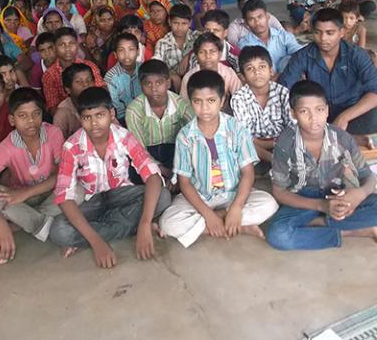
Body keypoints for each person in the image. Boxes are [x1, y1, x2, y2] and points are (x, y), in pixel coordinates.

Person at [49, 87, 171, 268]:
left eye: (100, 115)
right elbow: (64, 197)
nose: (94, 123)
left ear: (111, 113)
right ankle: (127, 226)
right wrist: (97, 243)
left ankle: (132, 225)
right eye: (87, 118)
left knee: (163, 196)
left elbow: (152, 175)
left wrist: (144, 224)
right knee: (58, 230)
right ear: (80, 119)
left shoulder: (124, 136)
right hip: (93, 201)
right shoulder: (71, 146)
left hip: (122, 194)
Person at [159, 70, 278, 247]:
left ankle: (223, 218)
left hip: (232, 193)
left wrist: (237, 207)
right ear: (191, 103)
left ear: (222, 102)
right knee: (168, 223)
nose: (205, 108)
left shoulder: (236, 128)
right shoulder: (185, 136)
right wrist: (208, 214)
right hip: (201, 195)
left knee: (269, 204)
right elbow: (184, 182)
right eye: (198, 101)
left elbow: (247, 173)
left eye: (211, 101)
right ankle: (236, 225)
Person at [267, 81, 377, 251]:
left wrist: (359, 195)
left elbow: (367, 176)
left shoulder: (341, 138)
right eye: (304, 111)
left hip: (336, 194)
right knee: (278, 235)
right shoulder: (285, 143)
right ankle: (349, 230)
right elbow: (279, 191)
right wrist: (321, 206)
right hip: (302, 198)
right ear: (293, 114)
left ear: (327, 110)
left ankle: (318, 222)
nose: (313, 118)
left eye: (319, 110)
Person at [0, 88, 64, 243]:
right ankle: (42, 222)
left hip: (51, 192)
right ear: (12, 120)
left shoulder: (53, 133)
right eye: (23, 116)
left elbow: (61, 174)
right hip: (22, 199)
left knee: (76, 186)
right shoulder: (7, 146)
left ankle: (25, 223)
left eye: (36, 114)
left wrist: (26, 192)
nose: (31, 120)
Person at [279, 8, 377, 145]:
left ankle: (331, 138)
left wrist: (344, 117)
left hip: (352, 112)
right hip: (319, 116)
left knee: (374, 116)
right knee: (290, 122)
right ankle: (344, 139)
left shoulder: (357, 55)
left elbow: (375, 91)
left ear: (341, 32)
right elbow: (283, 90)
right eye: (317, 33)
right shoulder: (302, 56)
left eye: (329, 33)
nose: (323, 38)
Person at [126, 59, 194, 183]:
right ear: (140, 86)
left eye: (159, 83)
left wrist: (178, 171)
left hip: (175, 152)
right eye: (148, 84)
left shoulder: (181, 105)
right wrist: (166, 172)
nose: (154, 89)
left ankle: (174, 184)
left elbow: (194, 135)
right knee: (133, 170)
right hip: (148, 151)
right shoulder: (133, 111)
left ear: (168, 83)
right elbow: (140, 150)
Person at [231, 46, 293, 172]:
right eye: (250, 69)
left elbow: (292, 129)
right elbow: (245, 138)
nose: (257, 72)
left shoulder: (283, 93)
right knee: (239, 144)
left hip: (284, 145)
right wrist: (273, 157)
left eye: (262, 66)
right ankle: (274, 163)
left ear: (271, 71)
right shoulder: (239, 98)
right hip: (254, 150)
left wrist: (277, 144)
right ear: (242, 76)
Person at [42, 28, 104, 114]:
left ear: (77, 46)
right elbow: (53, 107)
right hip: (67, 115)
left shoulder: (90, 66)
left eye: (71, 43)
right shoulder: (49, 75)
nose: (67, 48)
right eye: (62, 45)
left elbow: (101, 91)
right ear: (55, 48)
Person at [238, 0, 301, 73]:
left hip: (289, 78)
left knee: (289, 60)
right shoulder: (244, 45)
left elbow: (299, 53)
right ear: (246, 23)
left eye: (260, 17)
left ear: (267, 17)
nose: (257, 22)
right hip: (262, 82)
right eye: (252, 19)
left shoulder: (283, 36)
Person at [180, 33, 242, 104]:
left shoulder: (228, 73)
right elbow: (184, 105)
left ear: (220, 54)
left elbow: (240, 98)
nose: (208, 56)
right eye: (202, 52)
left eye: (212, 51)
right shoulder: (188, 77)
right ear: (196, 56)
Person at [154, 4, 200, 90]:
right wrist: (170, 75)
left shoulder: (196, 36)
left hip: (195, 83)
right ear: (169, 22)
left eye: (184, 23)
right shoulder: (163, 43)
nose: (179, 27)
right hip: (173, 87)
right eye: (176, 23)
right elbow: (156, 66)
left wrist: (188, 55)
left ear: (190, 23)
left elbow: (210, 43)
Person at [104, 33, 143, 124]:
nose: (127, 54)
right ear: (115, 54)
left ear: (138, 52)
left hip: (145, 114)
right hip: (123, 119)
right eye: (121, 50)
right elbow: (115, 107)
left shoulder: (144, 70)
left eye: (131, 49)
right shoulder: (110, 78)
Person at [53, 63, 96, 139]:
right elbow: (57, 142)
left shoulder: (100, 102)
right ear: (68, 89)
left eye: (89, 80)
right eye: (79, 82)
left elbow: (115, 129)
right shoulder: (62, 113)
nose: (86, 84)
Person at [84, 7, 117, 72]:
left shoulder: (118, 33)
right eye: (102, 20)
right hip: (94, 70)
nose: (106, 23)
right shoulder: (91, 35)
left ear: (114, 19)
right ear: (96, 21)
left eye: (109, 19)